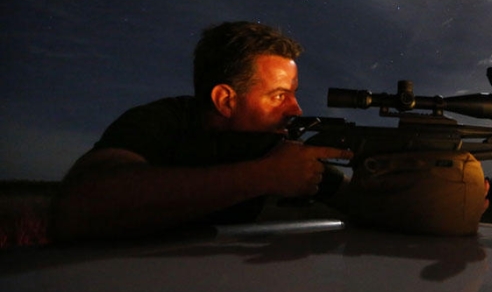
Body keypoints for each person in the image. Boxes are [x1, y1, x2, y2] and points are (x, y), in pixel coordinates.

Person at [50, 21, 354, 241]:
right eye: (278, 96)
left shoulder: (270, 146)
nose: (295, 110)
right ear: (226, 100)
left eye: (293, 94)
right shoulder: (162, 121)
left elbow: (360, 200)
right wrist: (263, 176)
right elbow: (78, 207)